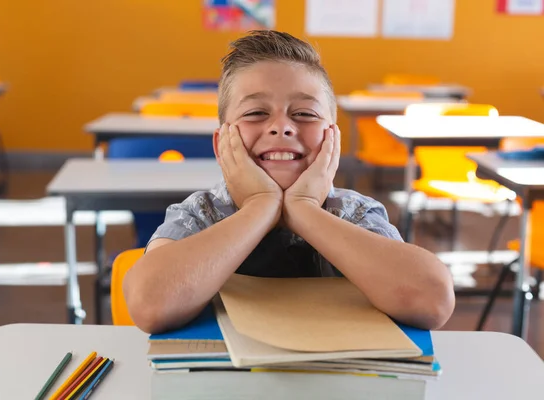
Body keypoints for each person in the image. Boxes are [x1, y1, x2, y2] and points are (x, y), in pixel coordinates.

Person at [124, 30, 455, 334]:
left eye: (305, 114)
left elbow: (433, 299)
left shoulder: (354, 213)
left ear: (332, 139)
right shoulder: (202, 213)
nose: (281, 127)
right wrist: (259, 206)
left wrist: (304, 209)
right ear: (221, 143)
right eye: (255, 113)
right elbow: (149, 303)